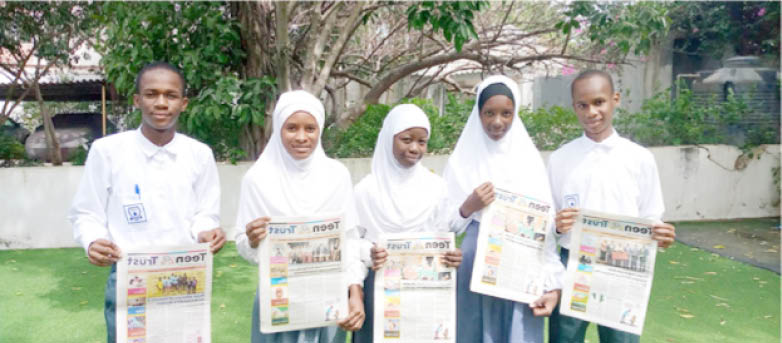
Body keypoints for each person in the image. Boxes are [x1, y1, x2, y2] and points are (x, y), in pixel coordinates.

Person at [69, 61, 226, 343]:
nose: (161, 103)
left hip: (185, 276)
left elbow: (206, 213)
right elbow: (86, 211)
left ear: (184, 103)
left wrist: (206, 231)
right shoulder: (107, 151)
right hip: (130, 278)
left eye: (171, 95)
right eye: (152, 94)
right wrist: (93, 241)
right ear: (137, 101)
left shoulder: (200, 154)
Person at [547, 69, 677, 343]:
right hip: (573, 263)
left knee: (621, 339)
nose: (591, 112)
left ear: (615, 99)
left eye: (599, 102)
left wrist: (660, 234)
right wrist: (557, 226)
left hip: (624, 266)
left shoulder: (640, 158)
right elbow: (549, 223)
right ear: (574, 107)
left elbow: (651, 214)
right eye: (582, 105)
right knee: (564, 338)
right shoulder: (560, 159)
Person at [234, 90, 366, 342]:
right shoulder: (258, 179)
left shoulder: (337, 176)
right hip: (278, 302)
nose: (302, 137)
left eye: (310, 128)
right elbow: (246, 248)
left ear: (320, 130)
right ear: (278, 129)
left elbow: (349, 242)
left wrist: (355, 293)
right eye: (291, 128)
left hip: (328, 301)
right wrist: (251, 240)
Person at [443, 75, 565, 343]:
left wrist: (551, 281)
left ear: (515, 113)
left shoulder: (529, 162)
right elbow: (444, 224)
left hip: (521, 262)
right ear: (478, 113)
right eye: (489, 113)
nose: (497, 122)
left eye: (506, 113)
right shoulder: (461, 162)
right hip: (474, 264)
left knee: (517, 331)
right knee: (474, 330)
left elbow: (543, 227)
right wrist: (468, 206)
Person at [350, 104, 463, 343]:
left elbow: (441, 236)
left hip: (423, 290)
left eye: (422, 142)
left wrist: (450, 256)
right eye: (406, 139)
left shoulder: (436, 187)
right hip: (378, 290)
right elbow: (350, 243)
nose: (414, 148)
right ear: (389, 138)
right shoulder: (365, 191)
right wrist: (369, 253)